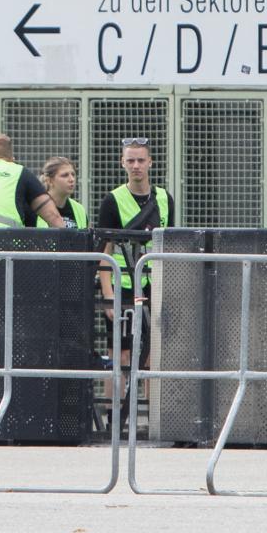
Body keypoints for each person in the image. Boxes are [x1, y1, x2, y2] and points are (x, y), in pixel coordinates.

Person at [97, 137, 176, 372]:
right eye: (130, 160)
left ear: (150, 162)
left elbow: (169, 246)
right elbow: (105, 251)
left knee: (152, 354)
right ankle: (116, 410)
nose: (136, 166)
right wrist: (109, 295)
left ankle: (152, 409)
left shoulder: (164, 198)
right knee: (119, 355)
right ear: (122, 163)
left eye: (141, 160)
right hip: (123, 284)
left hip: (154, 285)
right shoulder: (112, 200)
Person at [40, 156, 86, 229]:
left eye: (73, 174)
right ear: (49, 181)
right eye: (65, 175)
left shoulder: (79, 209)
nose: (71, 179)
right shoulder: (37, 206)